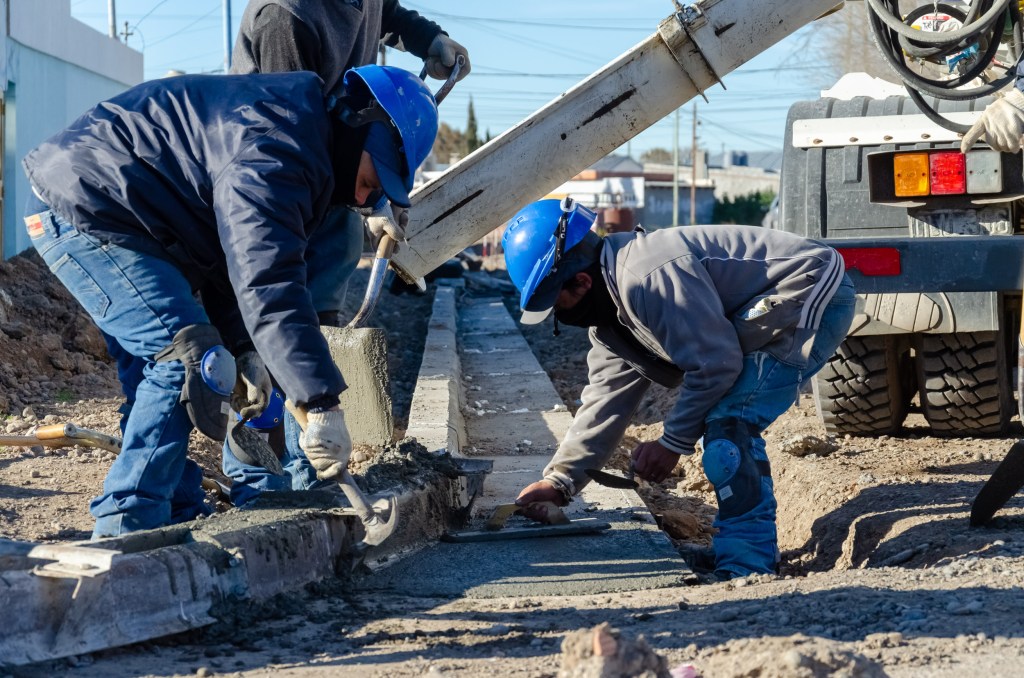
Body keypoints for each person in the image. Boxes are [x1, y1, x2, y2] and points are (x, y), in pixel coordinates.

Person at [21, 64, 439, 537]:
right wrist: (320, 403)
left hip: (129, 216)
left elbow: (229, 264)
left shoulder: (301, 139)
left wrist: (243, 348)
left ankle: (174, 514)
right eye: (374, 178)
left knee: (166, 368)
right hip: (86, 206)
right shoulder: (275, 153)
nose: (367, 195)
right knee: (187, 359)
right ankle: (125, 530)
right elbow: (269, 285)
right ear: (361, 131)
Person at [505, 198, 855, 580]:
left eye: (557, 304)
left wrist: (672, 443)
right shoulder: (611, 319)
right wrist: (560, 481)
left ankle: (748, 563)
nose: (560, 316)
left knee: (730, 426)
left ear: (583, 281)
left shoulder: (646, 277)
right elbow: (604, 403)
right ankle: (737, 549)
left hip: (806, 288)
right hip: (761, 305)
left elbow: (716, 364)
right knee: (718, 420)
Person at [223, 0, 470, 505]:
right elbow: (289, 129)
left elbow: (386, 14)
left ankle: (311, 475)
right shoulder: (287, 16)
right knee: (271, 322)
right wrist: (371, 195)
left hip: (336, 174)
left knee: (319, 327)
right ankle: (260, 486)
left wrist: (427, 38)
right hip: (271, 181)